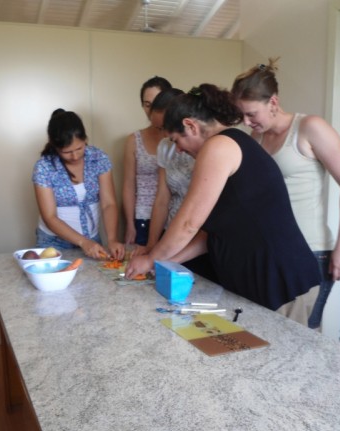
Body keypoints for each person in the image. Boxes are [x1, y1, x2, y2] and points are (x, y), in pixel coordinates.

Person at [126, 84, 321, 326]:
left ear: (191, 125)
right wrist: (167, 261)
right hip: (261, 278)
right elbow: (210, 234)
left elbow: (188, 223)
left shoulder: (219, 146)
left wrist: (151, 258)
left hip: (279, 278)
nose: (179, 149)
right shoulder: (226, 145)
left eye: (177, 140)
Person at [231, 58, 340, 329]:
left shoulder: (310, 127)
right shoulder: (257, 138)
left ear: (273, 102)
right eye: (241, 115)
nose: (246, 121)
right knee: (272, 334)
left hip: (310, 250)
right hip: (274, 252)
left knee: (301, 339)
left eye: (251, 114)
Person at [143, 88, 217, 282]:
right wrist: (152, 245)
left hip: (200, 239)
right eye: (159, 129)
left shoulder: (211, 148)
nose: (164, 135)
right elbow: (162, 200)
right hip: (172, 234)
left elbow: (194, 220)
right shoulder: (166, 147)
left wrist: (153, 259)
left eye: (165, 127)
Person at [33, 109, 124, 260]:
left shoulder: (98, 158)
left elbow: (108, 204)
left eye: (79, 148)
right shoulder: (44, 167)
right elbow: (50, 217)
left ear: (85, 139)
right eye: (67, 152)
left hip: (92, 240)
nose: (75, 156)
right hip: (54, 243)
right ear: (55, 147)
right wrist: (83, 242)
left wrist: (112, 239)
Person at [122, 76, 172, 246]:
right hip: (143, 215)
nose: (151, 110)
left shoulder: (181, 139)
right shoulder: (133, 140)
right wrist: (130, 225)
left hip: (173, 215)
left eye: (157, 103)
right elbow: (129, 185)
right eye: (147, 104)